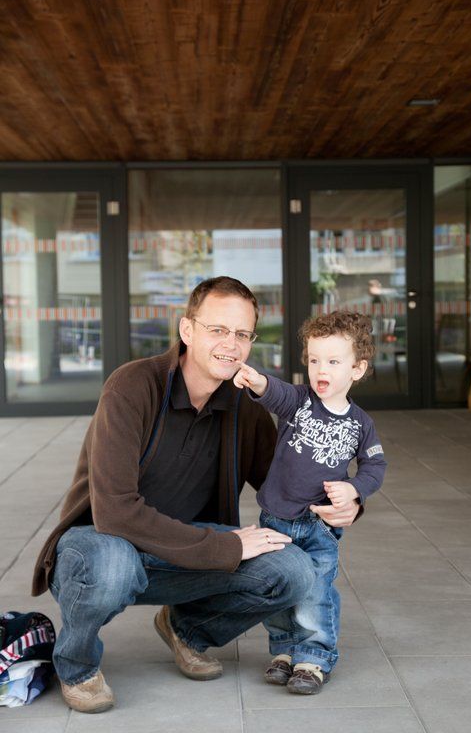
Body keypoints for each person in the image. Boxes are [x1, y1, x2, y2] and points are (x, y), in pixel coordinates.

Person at [31, 277, 361, 713]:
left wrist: (345, 501)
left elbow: (285, 481)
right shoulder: (132, 386)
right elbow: (114, 512)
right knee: (113, 565)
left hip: (184, 550)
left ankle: (187, 629)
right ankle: (77, 666)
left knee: (293, 571)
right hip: (101, 543)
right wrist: (225, 546)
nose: (231, 344)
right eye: (218, 329)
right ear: (187, 330)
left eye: (242, 334)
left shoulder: (245, 403)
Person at [233, 310, 386, 695]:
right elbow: (276, 392)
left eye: (333, 362)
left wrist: (354, 489)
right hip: (276, 518)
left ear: (357, 369)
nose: (321, 369)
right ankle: (285, 650)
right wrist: (257, 380)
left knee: (315, 590)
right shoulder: (300, 402)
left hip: (319, 527)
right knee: (279, 586)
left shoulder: (361, 423)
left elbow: (375, 465)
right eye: (314, 360)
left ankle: (314, 657)